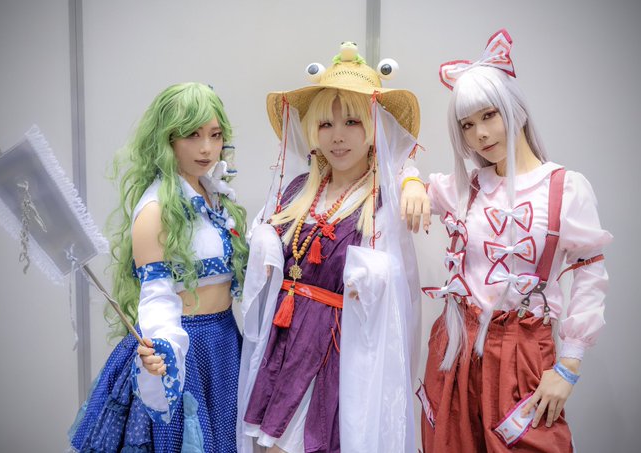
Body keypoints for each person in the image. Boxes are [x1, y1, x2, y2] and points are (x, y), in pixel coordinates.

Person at [418, 29, 612, 452]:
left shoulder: (565, 187)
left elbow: (590, 276)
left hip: (524, 350)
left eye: (489, 115)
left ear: (515, 110)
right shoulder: (465, 186)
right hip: (456, 346)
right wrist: (410, 184)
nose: (480, 134)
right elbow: (403, 185)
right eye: (467, 125)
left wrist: (569, 366)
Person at [236, 42, 428, 453]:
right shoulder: (294, 193)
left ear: (374, 128)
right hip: (285, 344)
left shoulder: (382, 203)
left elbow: (399, 297)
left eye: (352, 122)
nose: (337, 136)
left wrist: (411, 179)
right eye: (325, 124)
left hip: (339, 354)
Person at [69, 82, 248, 452]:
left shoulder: (214, 195)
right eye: (192, 135)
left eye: (215, 135)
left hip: (225, 343)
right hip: (181, 349)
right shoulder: (155, 211)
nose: (206, 148)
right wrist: (163, 347)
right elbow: (157, 296)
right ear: (167, 139)